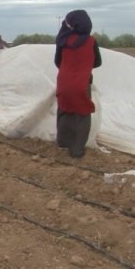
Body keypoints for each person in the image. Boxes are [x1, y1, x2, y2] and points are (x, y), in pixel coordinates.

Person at [54, 10, 102, 158]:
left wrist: (68, 69)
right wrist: (83, 67)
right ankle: (77, 150)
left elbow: (57, 61)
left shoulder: (63, 41)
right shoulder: (91, 41)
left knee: (64, 110)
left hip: (63, 82)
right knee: (82, 114)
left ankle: (63, 142)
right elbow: (98, 62)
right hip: (82, 83)